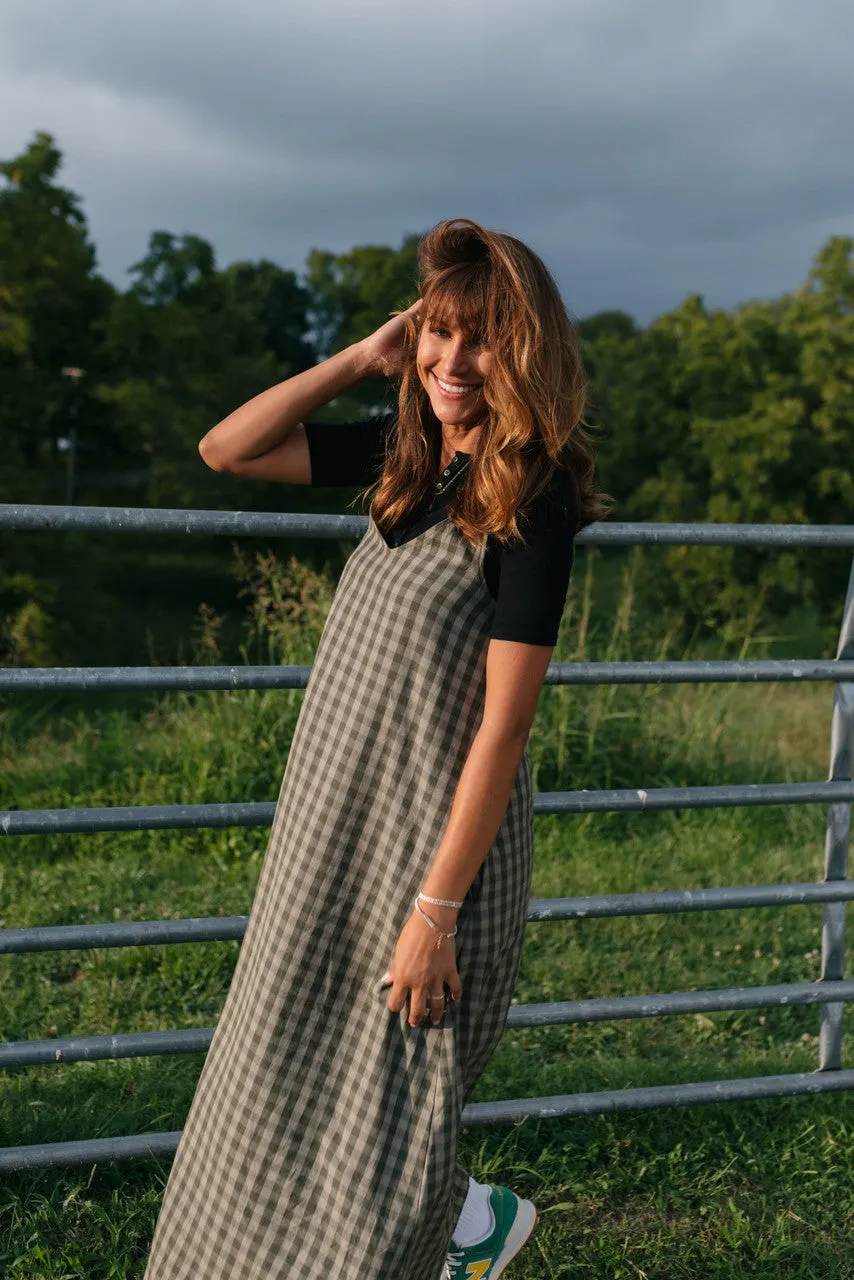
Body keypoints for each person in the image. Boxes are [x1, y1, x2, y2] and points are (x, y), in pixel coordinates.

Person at [142, 217, 610, 1280]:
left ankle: (449, 1229)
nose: (453, 362)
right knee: (279, 1070)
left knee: (378, 1104)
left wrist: (431, 913)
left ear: (525, 350)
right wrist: (364, 355)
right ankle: (457, 1220)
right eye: (440, 334)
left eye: (482, 339)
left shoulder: (529, 499)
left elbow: (504, 725)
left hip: (427, 857)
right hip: (332, 841)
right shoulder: (405, 455)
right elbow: (227, 446)